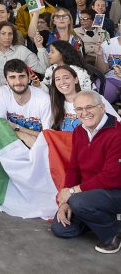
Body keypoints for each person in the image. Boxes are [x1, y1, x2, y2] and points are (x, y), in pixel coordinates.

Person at [51, 90, 121, 254]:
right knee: (61, 229)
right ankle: (99, 219)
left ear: (102, 107)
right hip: (89, 194)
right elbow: (73, 168)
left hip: (115, 191)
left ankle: (112, 234)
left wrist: (73, 192)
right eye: (79, 109)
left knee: (79, 202)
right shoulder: (79, 131)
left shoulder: (118, 134)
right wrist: (64, 202)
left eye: (89, 107)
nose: (84, 113)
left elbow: (112, 177)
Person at [0, 21, 45, 107]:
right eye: (3, 33)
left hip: (19, 99)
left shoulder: (22, 50)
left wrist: (40, 47)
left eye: (10, 34)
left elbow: (42, 69)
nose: (7, 37)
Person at [0, 59, 52, 148]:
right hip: (10, 144)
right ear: (6, 81)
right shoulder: (2, 92)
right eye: (12, 77)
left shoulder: (43, 98)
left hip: (38, 146)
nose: (18, 82)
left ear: (29, 78)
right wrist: (22, 135)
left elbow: (48, 135)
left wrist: (16, 127)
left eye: (22, 76)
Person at [49, 65, 119, 132]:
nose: (62, 82)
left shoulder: (94, 97)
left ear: (76, 80)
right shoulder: (54, 105)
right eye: (58, 79)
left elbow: (117, 122)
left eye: (66, 78)